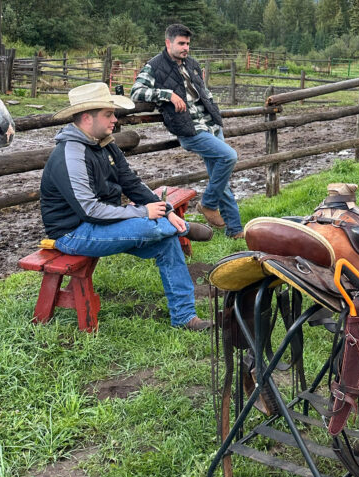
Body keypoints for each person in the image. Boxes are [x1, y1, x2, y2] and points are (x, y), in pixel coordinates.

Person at [40, 82, 211, 331]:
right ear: (87, 118)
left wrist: (168, 210)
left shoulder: (105, 143)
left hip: (101, 224)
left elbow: (131, 183)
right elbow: (89, 210)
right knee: (150, 227)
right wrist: (144, 212)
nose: (114, 119)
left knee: (164, 239)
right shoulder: (71, 153)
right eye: (108, 114)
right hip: (73, 233)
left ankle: (185, 317)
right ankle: (182, 229)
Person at [131, 24, 243, 238]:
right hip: (190, 129)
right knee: (229, 157)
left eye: (188, 44)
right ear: (168, 43)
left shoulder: (191, 63)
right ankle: (208, 204)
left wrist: (214, 110)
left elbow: (202, 90)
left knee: (220, 177)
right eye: (181, 43)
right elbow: (137, 91)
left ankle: (235, 230)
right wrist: (167, 95)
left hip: (211, 124)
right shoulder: (155, 66)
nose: (186, 48)